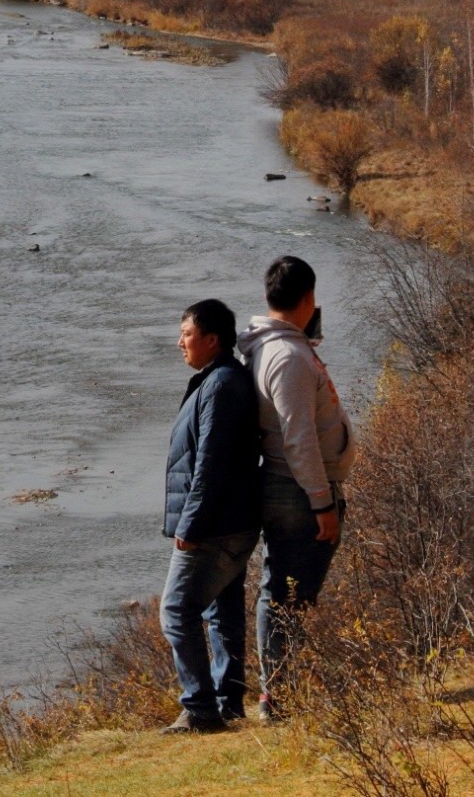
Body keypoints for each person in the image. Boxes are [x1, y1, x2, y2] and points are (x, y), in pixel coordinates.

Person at [238, 256, 353, 722]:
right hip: (298, 491)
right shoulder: (287, 356)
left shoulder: (273, 346)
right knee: (286, 596)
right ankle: (276, 696)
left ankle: (281, 690)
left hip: (288, 485)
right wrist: (322, 501)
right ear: (307, 298)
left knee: (289, 594)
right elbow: (298, 436)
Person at [157, 298, 262, 734]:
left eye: (186, 333)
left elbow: (211, 464)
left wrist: (191, 526)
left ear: (211, 339)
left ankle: (201, 710)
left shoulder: (219, 386)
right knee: (223, 610)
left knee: (177, 611)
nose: (180, 341)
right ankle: (228, 703)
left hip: (215, 526)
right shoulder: (222, 380)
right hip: (236, 520)